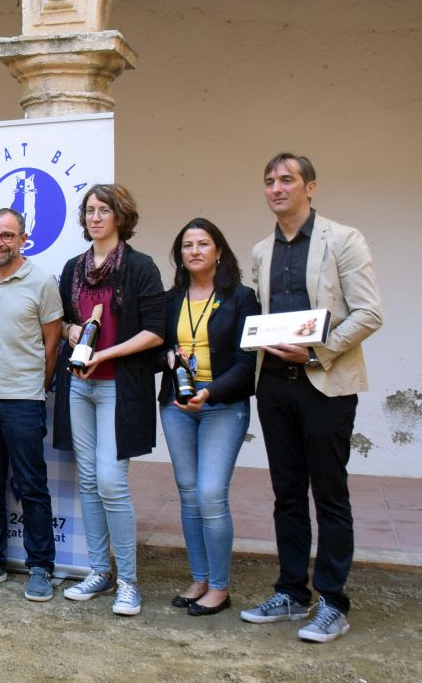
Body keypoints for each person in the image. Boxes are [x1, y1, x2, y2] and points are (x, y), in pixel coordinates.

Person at [240, 154, 382, 643]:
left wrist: (316, 354)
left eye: (287, 180)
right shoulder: (261, 250)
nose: (277, 188)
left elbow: (368, 313)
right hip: (275, 386)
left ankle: (333, 602)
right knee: (286, 494)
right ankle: (291, 592)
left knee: (330, 494)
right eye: (269, 182)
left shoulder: (343, 239)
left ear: (311, 187)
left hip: (325, 384)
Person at [53, 183, 163, 616]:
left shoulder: (140, 267)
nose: (94, 218)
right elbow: (62, 322)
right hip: (79, 385)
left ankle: (130, 582)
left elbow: (156, 330)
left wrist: (105, 354)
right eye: (89, 211)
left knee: (112, 482)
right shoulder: (72, 268)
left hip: (121, 385)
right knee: (87, 480)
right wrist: (73, 332)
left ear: (121, 216)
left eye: (103, 210)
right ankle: (99, 572)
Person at [158, 218, 259, 616]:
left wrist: (210, 391)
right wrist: (165, 355)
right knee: (187, 493)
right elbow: (156, 348)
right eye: (187, 245)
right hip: (177, 406)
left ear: (219, 251)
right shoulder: (171, 299)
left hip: (222, 406)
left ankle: (219, 586)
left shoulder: (241, 297)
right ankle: (199, 578)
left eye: (203, 243)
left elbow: (246, 362)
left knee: (210, 493)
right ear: (179, 255)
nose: (195, 251)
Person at [0, 207, 62, 599]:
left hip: (23, 400)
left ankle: (41, 566)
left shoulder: (42, 282)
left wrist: (34, 388)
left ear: (24, 239)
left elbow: (52, 343)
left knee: (32, 486)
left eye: (7, 236)